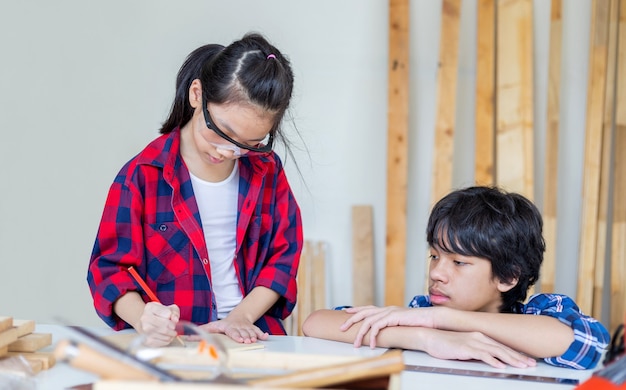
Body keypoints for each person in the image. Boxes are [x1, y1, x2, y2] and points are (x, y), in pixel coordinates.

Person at [88, 33, 303, 348]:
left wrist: (240, 317)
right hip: (175, 346)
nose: (229, 152)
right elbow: (109, 271)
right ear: (197, 94)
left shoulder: (267, 171)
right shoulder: (143, 176)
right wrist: (143, 317)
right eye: (222, 132)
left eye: (250, 144)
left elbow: (283, 259)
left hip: (251, 338)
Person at [302, 186, 609, 370]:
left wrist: (444, 320)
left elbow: (586, 343)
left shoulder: (540, 313)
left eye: (459, 262)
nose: (436, 272)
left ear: (508, 277)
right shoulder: (422, 313)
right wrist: (427, 337)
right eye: (434, 256)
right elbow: (316, 323)